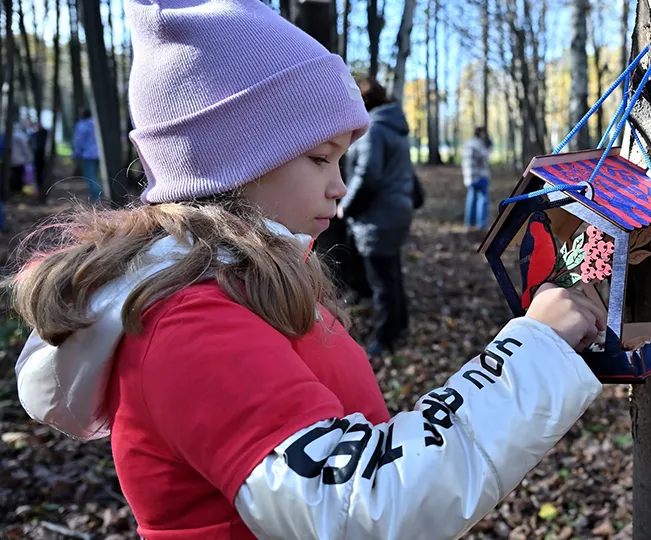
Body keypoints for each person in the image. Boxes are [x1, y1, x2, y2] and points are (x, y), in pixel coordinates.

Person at [9, 1, 606, 538]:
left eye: (341, 160)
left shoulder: (248, 285)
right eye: (321, 158)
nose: (338, 186)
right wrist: (534, 350)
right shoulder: (188, 323)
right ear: (235, 159)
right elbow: (357, 506)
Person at [342, 77, 415, 356]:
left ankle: (384, 339)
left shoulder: (373, 129)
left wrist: (345, 206)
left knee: (381, 281)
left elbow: (368, 175)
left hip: (378, 216)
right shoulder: (395, 127)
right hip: (396, 210)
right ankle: (400, 324)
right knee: (391, 272)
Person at [462, 126, 491, 231]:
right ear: (480, 133)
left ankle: (469, 222)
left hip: (469, 176)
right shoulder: (478, 144)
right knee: (483, 200)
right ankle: (481, 224)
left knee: (471, 199)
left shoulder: (468, 144)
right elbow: (485, 157)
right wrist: (488, 146)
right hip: (480, 175)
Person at [72, 108, 102, 201]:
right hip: (100, 154)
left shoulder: (82, 125)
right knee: (97, 175)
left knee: (90, 176)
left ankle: (96, 196)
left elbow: (78, 141)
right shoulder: (98, 123)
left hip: (87, 155)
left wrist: (76, 153)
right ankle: (101, 194)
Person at [8, 123, 32, 195]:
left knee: (13, 176)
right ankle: (18, 191)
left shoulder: (8, 135)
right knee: (19, 176)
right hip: (20, 161)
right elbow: (25, 149)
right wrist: (29, 158)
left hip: (11, 160)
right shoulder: (21, 136)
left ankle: (13, 190)